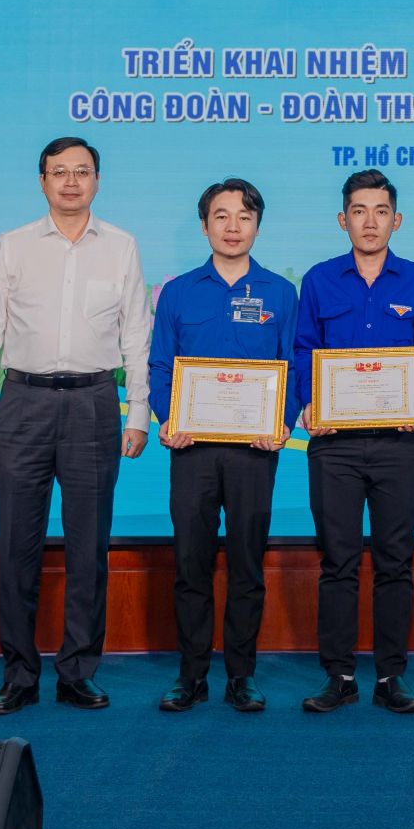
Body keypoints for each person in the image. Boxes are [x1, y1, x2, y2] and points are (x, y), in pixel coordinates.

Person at [0, 136, 151, 716]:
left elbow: (136, 335)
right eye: (59, 172)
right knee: (16, 547)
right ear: (42, 181)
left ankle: (77, 672)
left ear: (98, 180)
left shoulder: (121, 246)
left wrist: (137, 412)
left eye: (82, 171)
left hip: (94, 404)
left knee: (88, 547)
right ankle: (19, 675)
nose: (71, 181)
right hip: (23, 403)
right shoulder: (13, 245)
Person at [147, 178, 297, 714]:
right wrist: (169, 417)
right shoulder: (178, 292)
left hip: (255, 449)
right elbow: (160, 366)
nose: (233, 227)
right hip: (192, 449)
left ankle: (241, 675)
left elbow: (293, 366)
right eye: (221, 216)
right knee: (191, 563)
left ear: (258, 225)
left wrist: (282, 421)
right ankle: (191, 675)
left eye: (244, 217)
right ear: (204, 224)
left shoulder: (280, 293)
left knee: (247, 564)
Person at [293, 169, 414, 715]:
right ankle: (339, 675)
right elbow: (303, 349)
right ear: (343, 219)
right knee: (338, 562)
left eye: (380, 211)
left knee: (396, 561)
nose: (370, 221)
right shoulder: (318, 280)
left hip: (398, 444)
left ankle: (391, 677)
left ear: (396, 220)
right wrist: (310, 402)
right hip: (335, 445)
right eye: (359, 211)